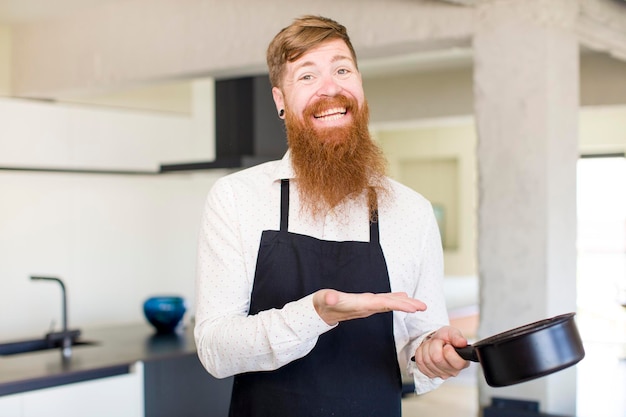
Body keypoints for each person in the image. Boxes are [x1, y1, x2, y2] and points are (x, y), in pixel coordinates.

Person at [194, 15, 469, 417]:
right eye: (307, 77)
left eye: (342, 69)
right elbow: (215, 350)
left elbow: (419, 340)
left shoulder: (412, 211)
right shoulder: (236, 198)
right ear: (280, 101)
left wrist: (433, 353)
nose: (331, 88)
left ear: (360, 86)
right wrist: (315, 315)